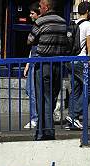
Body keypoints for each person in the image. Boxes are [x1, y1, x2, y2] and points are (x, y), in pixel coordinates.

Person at [27, 0, 70, 141]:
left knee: (42, 99)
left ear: (47, 7)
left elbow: (30, 40)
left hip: (43, 63)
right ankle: (46, 131)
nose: (39, 8)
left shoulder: (41, 21)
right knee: (51, 99)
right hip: (58, 64)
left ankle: (44, 132)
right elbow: (67, 42)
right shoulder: (63, 22)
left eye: (40, 6)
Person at [65, 1, 90, 130]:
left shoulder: (73, 23)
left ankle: (72, 121)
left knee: (76, 89)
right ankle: (74, 115)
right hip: (81, 60)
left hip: (70, 60)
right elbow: (89, 45)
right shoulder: (88, 25)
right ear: (88, 12)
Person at [23, 1, 40, 130]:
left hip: (37, 61)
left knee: (33, 91)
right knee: (29, 90)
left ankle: (35, 118)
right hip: (33, 61)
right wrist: (28, 64)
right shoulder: (35, 25)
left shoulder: (38, 26)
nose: (30, 15)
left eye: (32, 13)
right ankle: (37, 117)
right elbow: (32, 48)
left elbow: (31, 42)